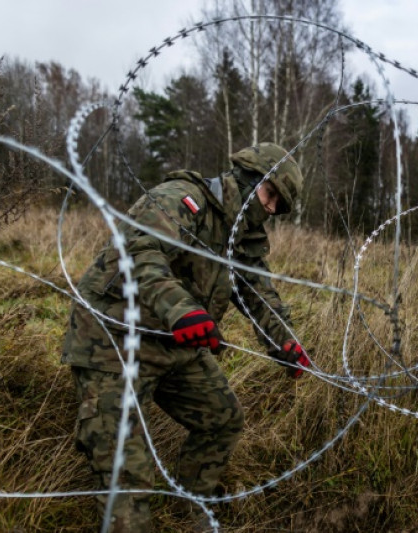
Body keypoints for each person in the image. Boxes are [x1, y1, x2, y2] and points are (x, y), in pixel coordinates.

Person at [62, 143, 311, 532]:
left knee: (222, 419)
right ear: (247, 179)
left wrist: (285, 342)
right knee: (129, 474)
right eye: (269, 193)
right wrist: (182, 309)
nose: (271, 208)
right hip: (112, 340)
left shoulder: (242, 237)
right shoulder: (182, 200)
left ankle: (191, 510)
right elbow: (139, 251)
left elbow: (257, 293)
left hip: (174, 345)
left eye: (279, 203)